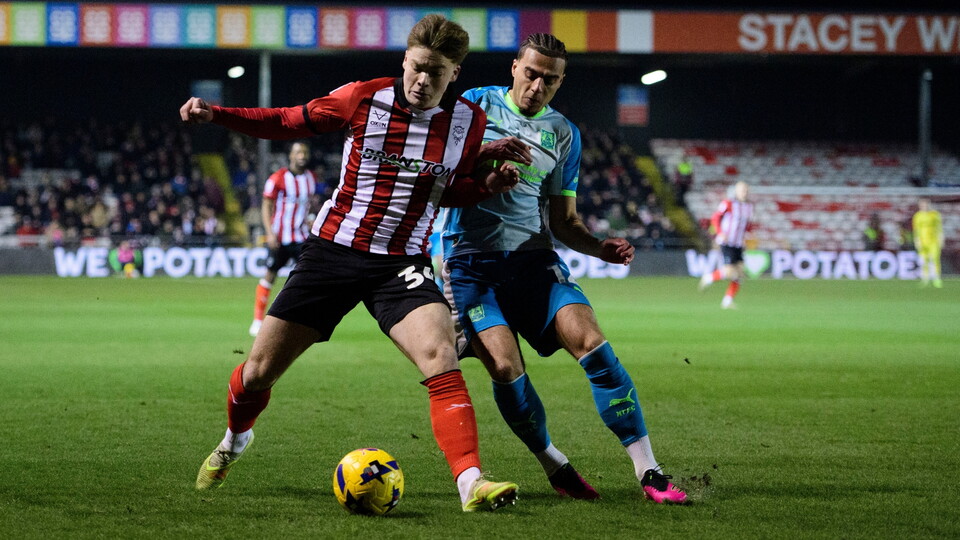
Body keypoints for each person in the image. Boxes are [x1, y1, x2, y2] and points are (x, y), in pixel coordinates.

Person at [181, 14, 525, 512]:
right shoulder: (364, 97)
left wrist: (484, 186)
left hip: (401, 262)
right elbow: (287, 121)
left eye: (437, 72)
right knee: (257, 374)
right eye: (418, 67)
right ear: (405, 60)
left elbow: (446, 188)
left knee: (441, 354)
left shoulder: (467, 124)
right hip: (332, 253)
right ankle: (235, 440)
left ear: (455, 76)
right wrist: (218, 114)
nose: (423, 81)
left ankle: (470, 482)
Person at [441, 33, 688, 505]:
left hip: (534, 262)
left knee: (593, 343)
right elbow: (441, 164)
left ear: (560, 83)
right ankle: (555, 464)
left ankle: (650, 472)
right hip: (470, 264)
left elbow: (564, 221)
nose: (537, 86)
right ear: (514, 67)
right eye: (531, 74)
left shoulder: (563, 134)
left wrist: (599, 248)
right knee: (507, 368)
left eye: (549, 80)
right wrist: (489, 160)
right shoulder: (475, 104)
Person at [249, 141, 317, 337]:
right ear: (291, 156)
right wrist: (269, 232)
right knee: (269, 276)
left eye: (304, 151)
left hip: (301, 237)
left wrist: (312, 219)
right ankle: (257, 320)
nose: (302, 155)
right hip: (279, 237)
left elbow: (310, 206)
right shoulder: (278, 178)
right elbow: (266, 206)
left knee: (306, 278)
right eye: (298, 152)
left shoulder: (311, 178)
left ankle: (303, 319)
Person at [699, 180, 753, 309]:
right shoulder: (728, 203)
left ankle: (727, 301)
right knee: (730, 272)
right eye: (741, 190)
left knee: (740, 273)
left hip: (739, 243)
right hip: (727, 242)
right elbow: (715, 217)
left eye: (745, 190)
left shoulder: (749, 207)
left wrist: (747, 236)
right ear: (736, 191)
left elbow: (747, 225)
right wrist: (720, 232)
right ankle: (708, 277)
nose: (744, 193)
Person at [913, 197, 943, 288]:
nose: (924, 206)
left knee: (935, 259)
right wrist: (917, 240)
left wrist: (941, 238)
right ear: (920, 206)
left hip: (933, 241)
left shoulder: (935, 215)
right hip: (923, 241)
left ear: (929, 204)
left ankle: (936, 278)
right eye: (922, 204)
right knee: (924, 260)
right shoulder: (917, 216)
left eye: (926, 204)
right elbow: (916, 230)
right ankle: (925, 279)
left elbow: (939, 228)